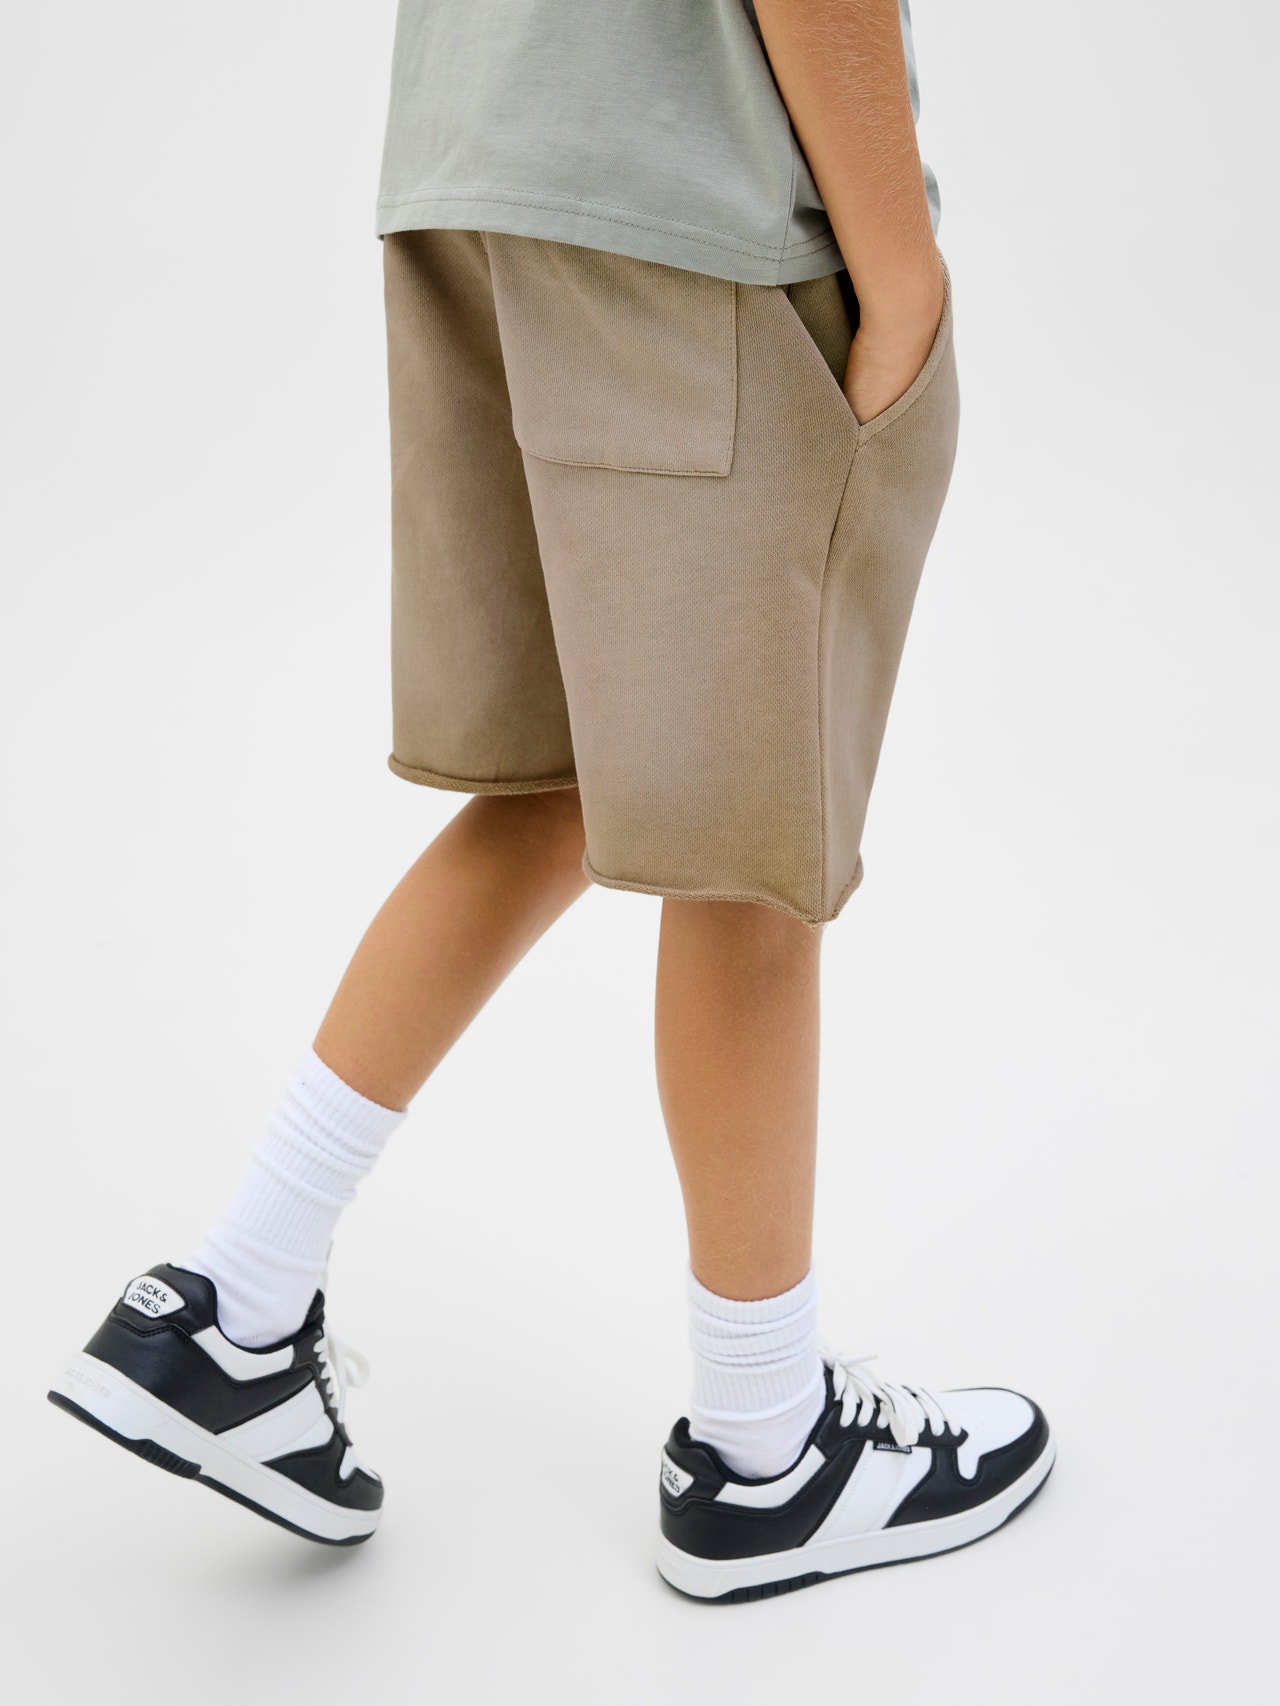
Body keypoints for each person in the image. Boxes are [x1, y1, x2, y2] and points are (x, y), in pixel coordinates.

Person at [48, 0, 1054, 1601]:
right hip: (691, 197)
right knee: (750, 831)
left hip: (478, 162)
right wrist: (902, 264)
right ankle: (767, 1450)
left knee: (572, 775)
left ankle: (233, 1304)